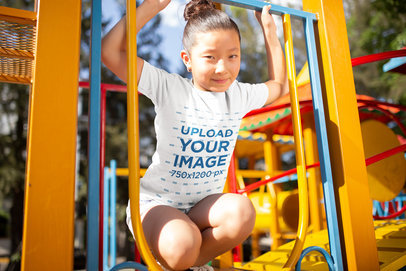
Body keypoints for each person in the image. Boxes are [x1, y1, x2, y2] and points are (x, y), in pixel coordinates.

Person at [101, 0, 288, 269]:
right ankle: (182, 259)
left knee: (242, 211)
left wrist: (269, 31)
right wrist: (152, 6)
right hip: (156, 205)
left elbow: (278, 86)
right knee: (182, 243)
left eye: (232, 56)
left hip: (201, 208)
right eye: (210, 57)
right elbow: (110, 52)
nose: (222, 68)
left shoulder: (237, 96)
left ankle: (188, 264)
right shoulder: (170, 88)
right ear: (187, 60)